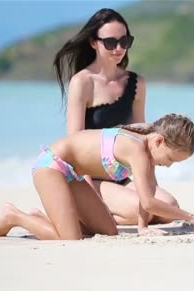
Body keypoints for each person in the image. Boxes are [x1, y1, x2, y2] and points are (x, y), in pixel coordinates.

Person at [0, 114, 194, 240]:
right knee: (70, 240)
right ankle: (15, 216)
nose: (169, 166)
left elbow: (149, 191)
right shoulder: (137, 150)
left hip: (72, 175)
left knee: (108, 231)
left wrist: (142, 227)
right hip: (52, 167)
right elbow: (149, 202)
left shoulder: (148, 145)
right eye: (171, 159)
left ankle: (42, 218)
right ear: (160, 141)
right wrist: (189, 217)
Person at [53, 8, 179, 226]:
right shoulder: (82, 83)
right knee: (141, 212)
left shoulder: (136, 84)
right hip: (89, 178)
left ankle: (95, 217)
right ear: (94, 42)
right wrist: (89, 196)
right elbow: (74, 146)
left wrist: (149, 187)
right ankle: (83, 215)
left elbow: (143, 142)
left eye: (125, 41)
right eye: (110, 42)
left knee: (170, 207)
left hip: (121, 177)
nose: (119, 48)